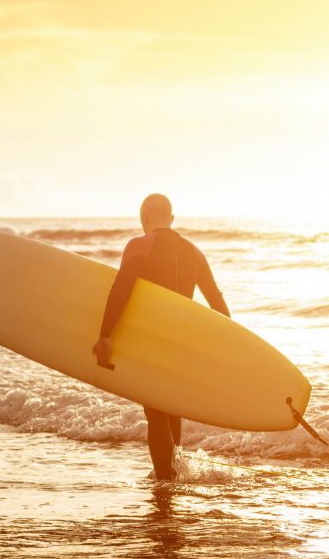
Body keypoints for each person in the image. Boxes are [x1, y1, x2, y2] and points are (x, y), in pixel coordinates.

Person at [92, 194, 230, 480]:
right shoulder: (195, 252)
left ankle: (164, 488)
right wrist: (229, 349)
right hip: (183, 344)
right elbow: (217, 304)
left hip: (154, 340)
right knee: (170, 407)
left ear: (143, 218)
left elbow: (122, 289)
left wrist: (105, 335)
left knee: (155, 413)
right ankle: (173, 476)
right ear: (172, 218)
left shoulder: (139, 245)